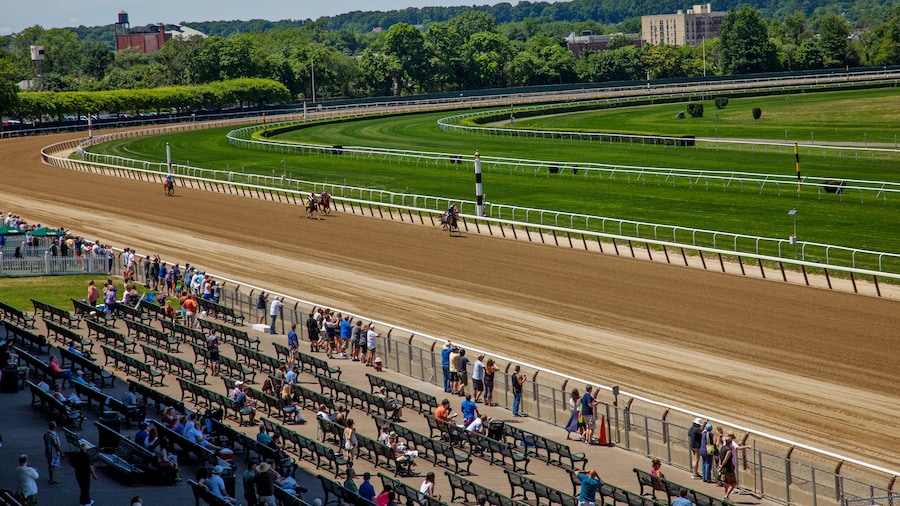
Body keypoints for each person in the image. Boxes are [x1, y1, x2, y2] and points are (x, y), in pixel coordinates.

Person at [70, 442, 98, 506]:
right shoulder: (87, 456)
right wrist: (94, 475)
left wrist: (75, 466)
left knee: (82, 488)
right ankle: (86, 502)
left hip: (78, 473)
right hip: (85, 474)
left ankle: (84, 501)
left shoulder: (76, 455)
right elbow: (90, 466)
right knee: (85, 489)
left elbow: (70, 462)